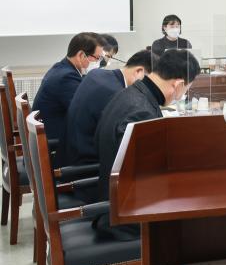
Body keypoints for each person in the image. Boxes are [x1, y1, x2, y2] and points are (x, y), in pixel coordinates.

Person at [94, 49, 200, 240]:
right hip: (124, 218)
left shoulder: (130, 94)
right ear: (178, 84)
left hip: (114, 201)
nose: (182, 95)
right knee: (197, 213)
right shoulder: (141, 113)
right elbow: (147, 178)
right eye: (186, 90)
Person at [66, 50, 154, 169]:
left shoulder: (97, 74)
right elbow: (117, 145)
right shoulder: (118, 95)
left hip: (71, 148)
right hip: (86, 164)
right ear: (139, 72)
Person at [32, 32, 105, 166]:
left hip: (52, 141)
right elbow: (86, 114)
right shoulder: (66, 78)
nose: (99, 63)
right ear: (81, 55)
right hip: (54, 151)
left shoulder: (62, 68)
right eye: (97, 58)